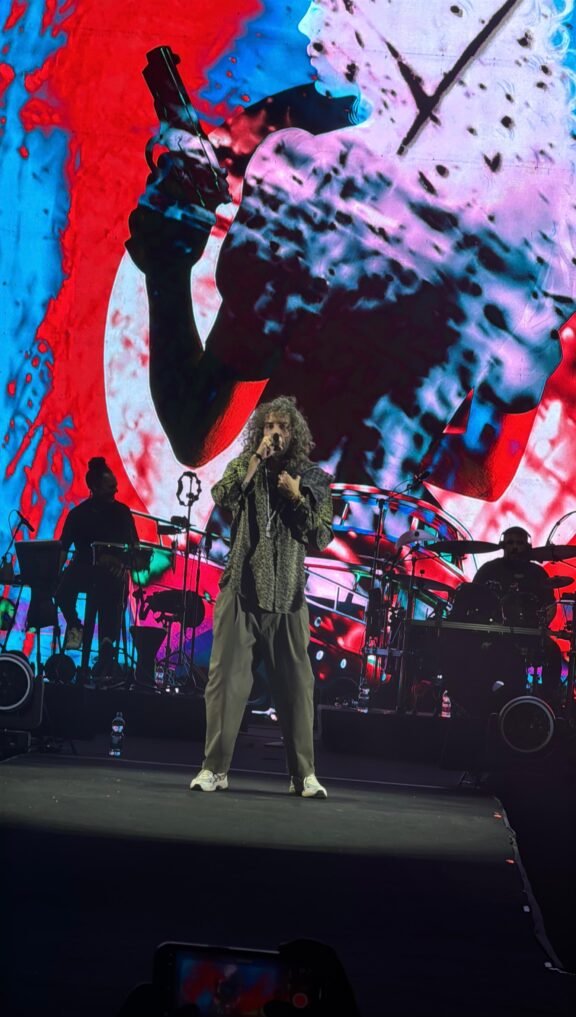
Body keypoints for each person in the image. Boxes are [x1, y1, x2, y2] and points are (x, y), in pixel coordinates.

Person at [125, 0, 574, 503]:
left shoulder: (306, 172)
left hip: (275, 530)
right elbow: (485, 474)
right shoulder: (539, 237)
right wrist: (389, 447)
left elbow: (196, 432)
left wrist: (166, 263)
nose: (308, 21)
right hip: (390, 543)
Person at [189, 397, 333, 798]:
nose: (275, 433)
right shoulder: (246, 465)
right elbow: (223, 496)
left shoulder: (312, 477)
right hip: (242, 589)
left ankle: (303, 775)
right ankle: (214, 769)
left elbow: (321, 535)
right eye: (268, 426)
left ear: (294, 434)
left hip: (288, 595)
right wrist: (255, 459)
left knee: (296, 688)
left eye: (282, 427)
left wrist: (296, 497)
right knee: (225, 684)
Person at [444, 526, 562, 715]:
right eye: (510, 543)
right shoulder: (489, 569)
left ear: (528, 546)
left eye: (519, 543)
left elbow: (550, 605)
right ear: (503, 545)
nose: (515, 547)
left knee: (554, 653)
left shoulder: (537, 573)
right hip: (494, 633)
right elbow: (472, 598)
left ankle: (546, 703)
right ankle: (480, 704)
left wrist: (541, 626)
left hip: (529, 633)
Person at [55, 457, 139, 673]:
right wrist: (54, 573)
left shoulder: (122, 512)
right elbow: (63, 548)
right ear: (94, 487)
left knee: (113, 591)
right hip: (83, 570)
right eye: (110, 488)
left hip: (112, 574)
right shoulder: (78, 514)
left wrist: (122, 564)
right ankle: (75, 625)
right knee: (61, 590)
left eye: (115, 487)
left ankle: (106, 647)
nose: (115, 491)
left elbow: (135, 548)